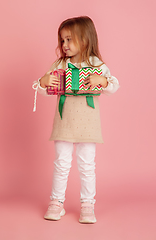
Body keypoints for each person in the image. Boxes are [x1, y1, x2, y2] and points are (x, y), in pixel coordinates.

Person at [34, 16, 119, 224]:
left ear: (85, 39)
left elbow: (114, 86)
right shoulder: (61, 64)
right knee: (61, 163)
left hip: (88, 126)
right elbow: (45, 89)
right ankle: (56, 202)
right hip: (65, 123)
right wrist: (42, 82)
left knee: (87, 164)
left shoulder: (97, 64)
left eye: (69, 40)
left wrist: (103, 80)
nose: (64, 45)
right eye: (62, 40)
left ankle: (87, 205)